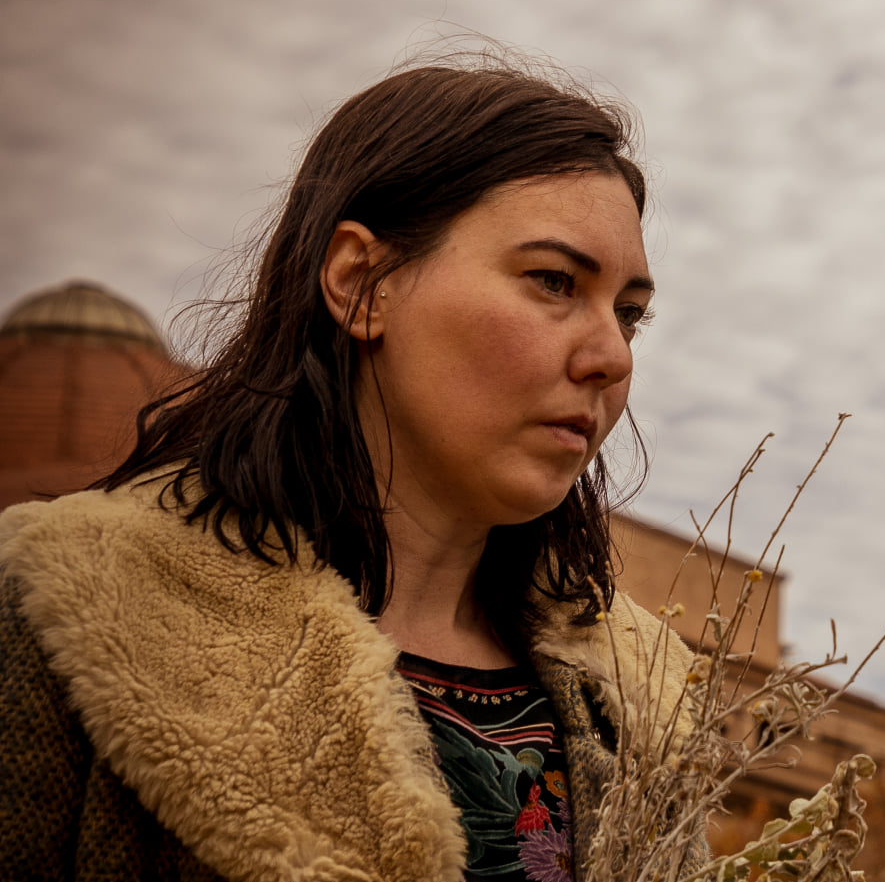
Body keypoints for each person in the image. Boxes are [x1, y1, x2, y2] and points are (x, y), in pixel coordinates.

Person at [0, 55, 703, 881]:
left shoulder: (641, 695)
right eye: (553, 281)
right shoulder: (76, 605)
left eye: (629, 315)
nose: (611, 356)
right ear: (360, 281)